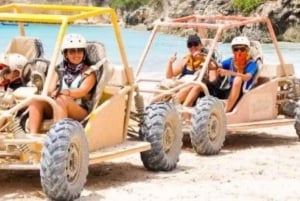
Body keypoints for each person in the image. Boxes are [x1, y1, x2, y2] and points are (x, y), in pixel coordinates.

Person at [28, 33, 96, 133]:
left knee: (61, 99)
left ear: (84, 53)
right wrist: (48, 91)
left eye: (79, 51)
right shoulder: (59, 69)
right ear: (66, 54)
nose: (76, 54)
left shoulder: (89, 72)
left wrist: (65, 92)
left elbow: (82, 91)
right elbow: (50, 89)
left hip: (79, 110)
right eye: (72, 51)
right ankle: (32, 136)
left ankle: (57, 137)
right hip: (57, 104)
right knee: (36, 100)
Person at [209, 36, 258, 112]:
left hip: (241, 93)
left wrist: (229, 73)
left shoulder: (251, 64)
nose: (239, 52)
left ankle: (226, 111)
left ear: (247, 50)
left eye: (242, 49)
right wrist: (208, 64)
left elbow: (247, 77)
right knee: (212, 70)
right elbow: (217, 65)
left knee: (238, 80)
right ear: (233, 51)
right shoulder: (231, 61)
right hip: (229, 90)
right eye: (236, 49)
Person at [166, 34, 216, 107]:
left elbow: (213, 80)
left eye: (195, 44)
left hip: (203, 89)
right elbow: (169, 76)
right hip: (186, 87)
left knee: (195, 85)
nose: (193, 47)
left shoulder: (208, 59)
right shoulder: (186, 60)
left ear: (201, 45)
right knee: (167, 84)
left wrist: (203, 61)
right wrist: (170, 63)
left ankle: (174, 106)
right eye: (190, 45)